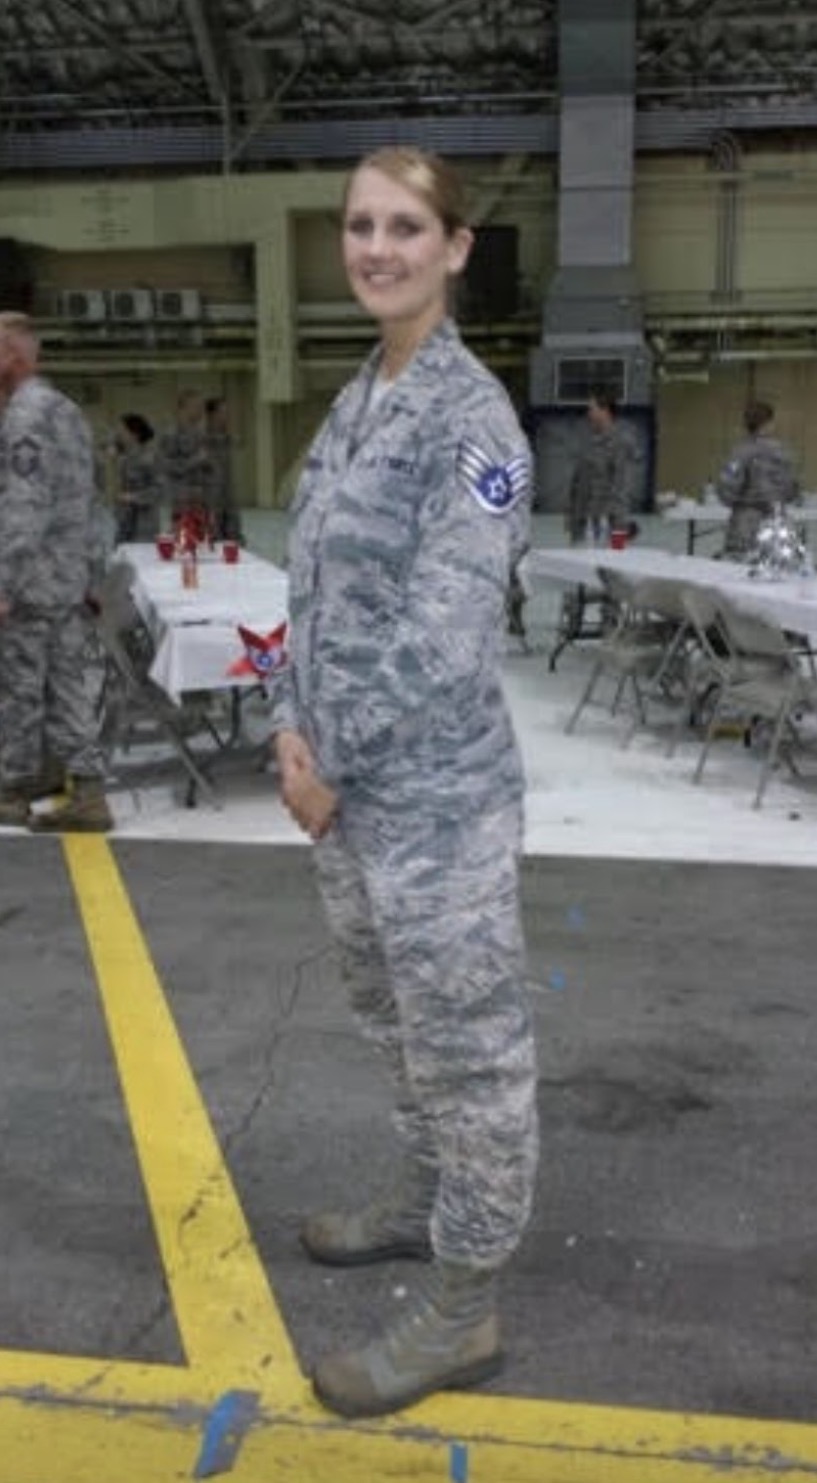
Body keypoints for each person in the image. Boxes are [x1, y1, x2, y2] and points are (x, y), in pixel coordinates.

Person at [268, 147, 539, 1419]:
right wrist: (288, 726)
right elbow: (311, 588)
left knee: (470, 1053)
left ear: (455, 246)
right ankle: (429, 1195)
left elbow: (448, 634)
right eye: (360, 225)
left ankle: (465, 1304)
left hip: (433, 809)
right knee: (397, 1028)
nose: (377, 248)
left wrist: (333, 762)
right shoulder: (359, 398)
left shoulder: (471, 420)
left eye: (406, 227)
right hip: (348, 798)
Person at [0, 311, 112, 831]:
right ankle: (86, 790)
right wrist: (89, 570)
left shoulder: (23, 417)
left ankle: (12, 788)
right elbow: (89, 496)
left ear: (11, 356)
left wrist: (2, 579)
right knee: (67, 683)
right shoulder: (65, 409)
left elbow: (25, 507)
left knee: (19, 686)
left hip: (32, 580)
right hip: (67, 576)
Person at [717, 398, 800, 558]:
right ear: (769, 423)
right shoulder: (783, 452)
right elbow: (792, 488)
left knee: (740, 567)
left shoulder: (740, 452)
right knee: (776, 564)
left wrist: (738, 502)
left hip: (745, 523)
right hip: (776, 522)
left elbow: (726, 487)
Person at [567, 389, 638, 544]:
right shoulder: (589, 442)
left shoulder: (621, 443)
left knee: (608, 559)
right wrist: (572, 519)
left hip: (607, 525)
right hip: (583, 523)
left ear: (605, 411)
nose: (588, 414)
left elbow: (621, 487)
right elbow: (578, 484)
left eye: (592, 409)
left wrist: (618, 529)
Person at [155, 389, 208, 529]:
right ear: (183, 408)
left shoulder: (200, 433)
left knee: (202, 536)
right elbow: (166, 466)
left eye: (202, 407)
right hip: (181, 499)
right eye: (197, 406)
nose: (201, 411)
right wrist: (196, 460)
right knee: (183, 536)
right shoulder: (171, 434)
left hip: (200, 497)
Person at [114, 412, 159, 544]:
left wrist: (133, 497)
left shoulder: (150, 457)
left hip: (143, 523)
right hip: (123, 522)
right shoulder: (123, 458)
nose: (118, 434)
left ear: (134, 434)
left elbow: (159, 490)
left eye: (122, 431)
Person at [203, 396, 243, 542]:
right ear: (211, 414)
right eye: (222, 412)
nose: (226, 416)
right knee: (213, 539)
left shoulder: (228, 437)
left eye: (227, 412)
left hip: (228, 496)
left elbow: (239, 443)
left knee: (234, 537)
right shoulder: (201, 438)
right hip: (211, 499)